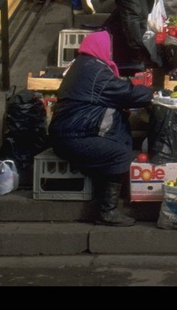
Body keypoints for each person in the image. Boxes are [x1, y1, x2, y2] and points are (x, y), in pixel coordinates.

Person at [48, 30, 153, 226]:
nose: (111, 53)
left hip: (68, 132)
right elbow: (126, 92)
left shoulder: (82, 66)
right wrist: (152, 94)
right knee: (120, 154)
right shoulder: (95, 71)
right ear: (100, 48)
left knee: (120, 133)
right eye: (109, 49)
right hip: (74, 136)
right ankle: (107, 211)